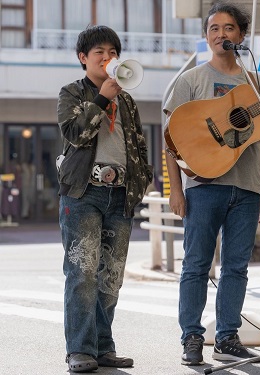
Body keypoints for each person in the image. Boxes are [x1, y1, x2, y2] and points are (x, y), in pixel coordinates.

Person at [163, 1, 260, 366]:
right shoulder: (191, 80)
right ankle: (192, 337)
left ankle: (227, 337)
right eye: (213, 28)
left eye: (228, 28)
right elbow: (171, 139)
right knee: (196, 264)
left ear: (241, 35)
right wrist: (175, 189)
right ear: (206, 35)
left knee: (236, 267)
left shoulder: (255, 83)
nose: (220, 34)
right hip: (202, 187)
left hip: (245, 188)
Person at [57, 25, 153, 373]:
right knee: (82, 273)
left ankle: (102, 346)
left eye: (113, 52)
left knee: (110, 276)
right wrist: (101, 98)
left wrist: (141, 182)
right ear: (83, 58)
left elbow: (139, 146)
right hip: (83, 193)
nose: (108, 58)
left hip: (120, 196)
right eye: (99, 52)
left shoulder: (126, 99)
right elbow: (74, 134)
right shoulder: (72, 92)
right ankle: (80, 350)